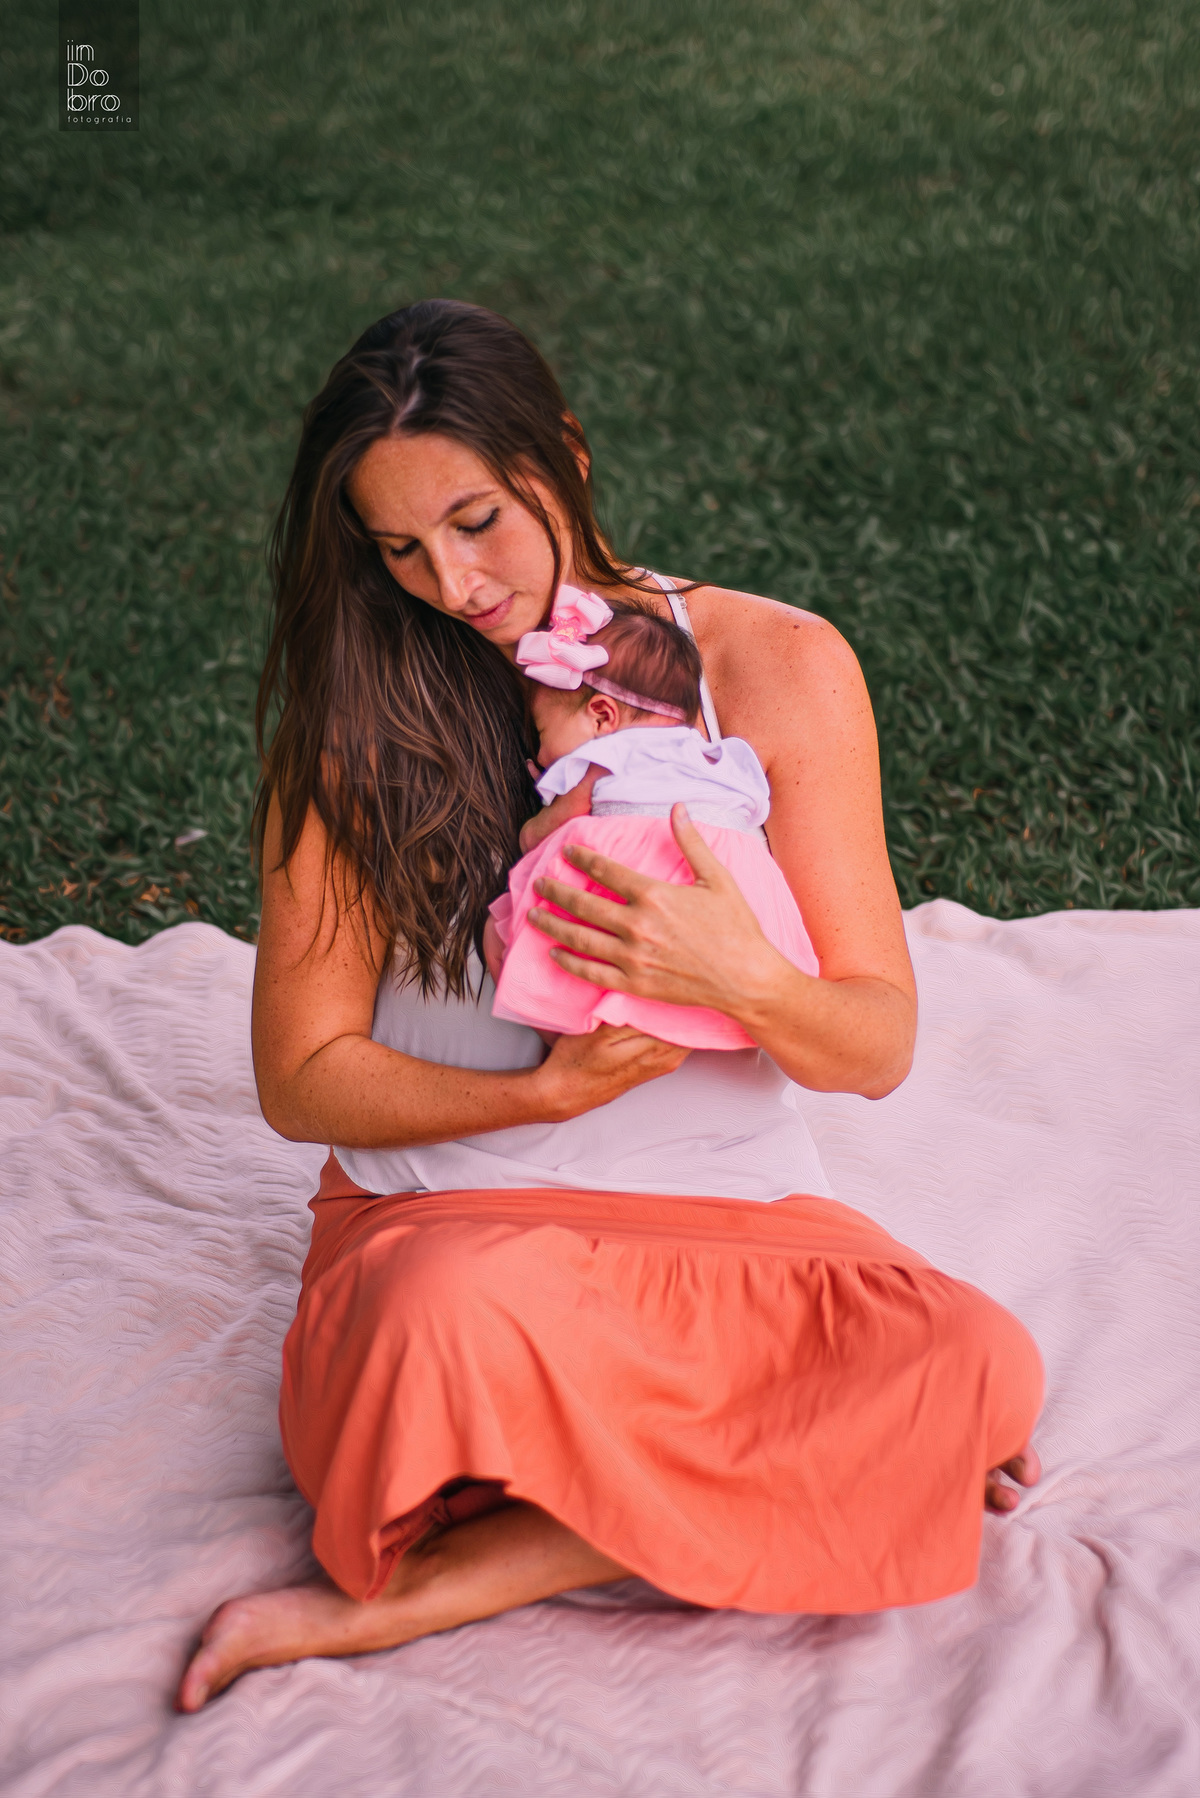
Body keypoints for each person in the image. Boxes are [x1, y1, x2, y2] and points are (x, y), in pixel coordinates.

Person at [176, 298, 1042, 1713]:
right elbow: (303, 1077)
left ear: (563, 458)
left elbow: (875, 1044)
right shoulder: (356, 717)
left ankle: (459, 1572)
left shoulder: (775, 664)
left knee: (976, 1361)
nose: (452, 582)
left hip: (731, 1218)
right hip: (460, 1226)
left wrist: (742, 978)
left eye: (476, 521)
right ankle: (798, 1468)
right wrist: (537, 1093)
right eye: (399, 548)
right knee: (434, 1331)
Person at [484, 587, 819, 1047]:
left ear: (602, 717)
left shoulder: (605, 759)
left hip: (648, 875)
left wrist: (538, 812)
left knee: (500, 933)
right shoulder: (714, 757)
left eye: (543, 733)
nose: (542, 752)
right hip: (739, 894)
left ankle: (562, 1036)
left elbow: (539, 836)